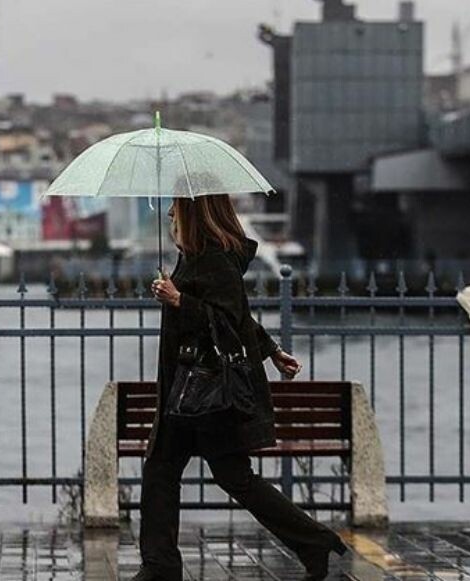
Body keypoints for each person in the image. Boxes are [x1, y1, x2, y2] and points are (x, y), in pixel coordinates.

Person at [136, 194, 348, 581]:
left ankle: (313, 541)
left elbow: (228, 322)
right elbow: (240, 317)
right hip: (186, 391)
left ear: (195, 211)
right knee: (163, 471)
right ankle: (160, 565)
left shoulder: (215, 259)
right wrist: (271, 350)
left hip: (203, 391)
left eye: (176, 205)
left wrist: (179, 299)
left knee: (228, 476)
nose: (169, 212)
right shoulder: (197, 256)